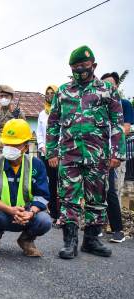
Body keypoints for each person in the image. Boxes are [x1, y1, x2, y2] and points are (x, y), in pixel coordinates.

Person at [46, 45, 125, 259]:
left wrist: (117, 153)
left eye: (84, 66)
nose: (80, 70)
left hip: (98, 155)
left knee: (97, 198)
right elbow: (53, 123)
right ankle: (69, 242)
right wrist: (52, 152)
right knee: (68, 197)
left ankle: (91, 240)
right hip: (69, 154)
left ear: (94, 66)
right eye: (75, 67)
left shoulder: (107, 90)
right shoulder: (63, 91)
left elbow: (118, 123)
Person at [0, 119, 51, 256]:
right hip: (1, 213)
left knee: (44, 220)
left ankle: (26, 240)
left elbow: (42, 195)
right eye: (7, 143)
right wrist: (9, 210)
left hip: (26, 215)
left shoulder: (36, 164)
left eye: (15, 144)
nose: (10, 147)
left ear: (26, 147)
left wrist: (31, 212)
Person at [101, 72, 134, 243]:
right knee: (96, 191)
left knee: (112, 190)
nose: (107, 87)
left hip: (115, 154)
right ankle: (97, 226)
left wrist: (114, 151)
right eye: (104, 84)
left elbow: (126, 129)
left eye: (110, 84)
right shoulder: (100, 106)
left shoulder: (124, 104)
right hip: (97, 154)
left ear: (116, 86)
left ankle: (117, 230)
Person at [36, 85, 60, 226]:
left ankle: (62, 215)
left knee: (61, 184)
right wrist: (43, 147)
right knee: (50, 183)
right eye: (48, 93)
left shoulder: (62, 111)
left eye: (53, 93)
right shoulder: (42, 114)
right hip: (46, 154)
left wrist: (56, 151)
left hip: (60, 154)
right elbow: (39, 133)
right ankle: (53, 212)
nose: (50, 95)